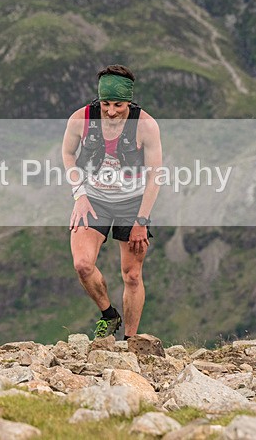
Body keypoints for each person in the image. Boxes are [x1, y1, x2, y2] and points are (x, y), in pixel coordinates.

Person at [61, 65, 162, 340]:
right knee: (82, 264)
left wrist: (141, 221)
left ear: (128, 101)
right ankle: (108, 314)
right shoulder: (80, 119)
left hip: (132, 202)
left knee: (131, 275)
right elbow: (68, 154)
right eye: (106, 103)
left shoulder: (146, 126)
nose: (112, 111)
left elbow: (155, 176)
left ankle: (130, 341)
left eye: (118, 104)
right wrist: (79, 194)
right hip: (93, 199)